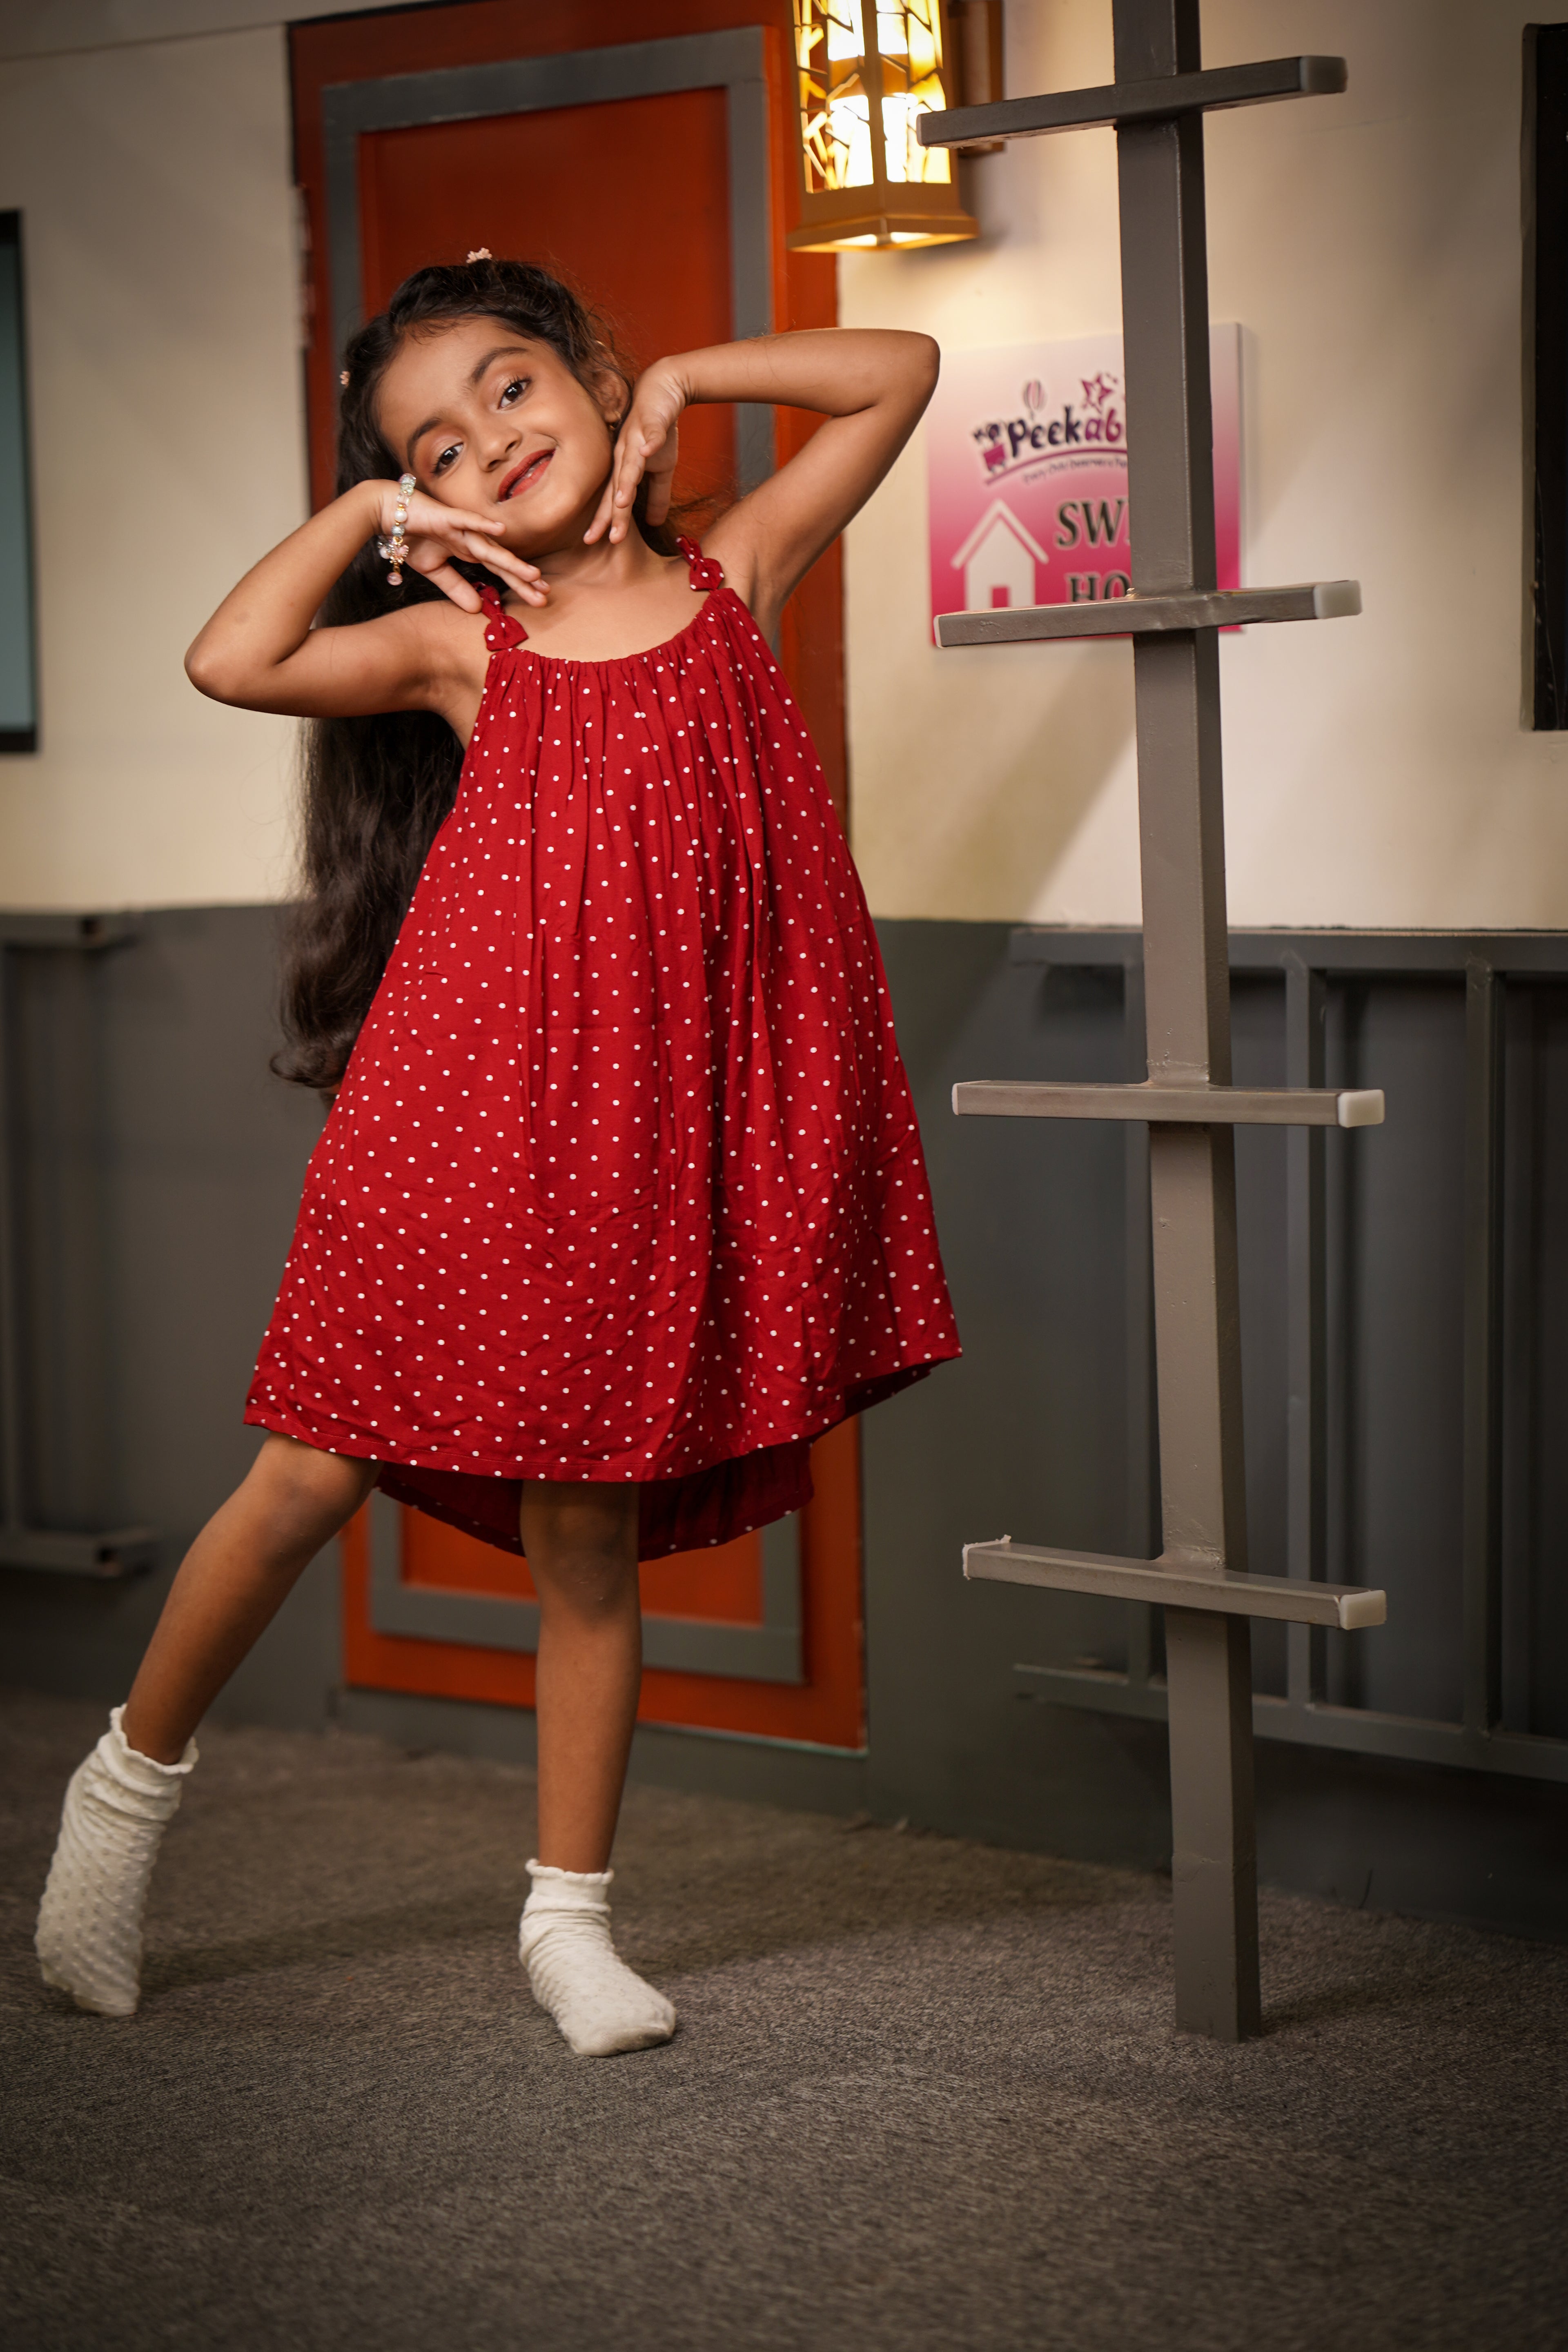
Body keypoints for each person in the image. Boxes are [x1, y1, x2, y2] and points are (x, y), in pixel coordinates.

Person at [35, 257, 960, 2056]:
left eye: (515, 389)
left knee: (585, 1535)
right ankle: (122, 1800)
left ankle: (569, 1924)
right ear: (425, 509)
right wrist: (367, 512)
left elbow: (902, 367)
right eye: (439, 449)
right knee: (308, 1481)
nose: (492, 445)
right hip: (459, 1126)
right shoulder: (475, 641)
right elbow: (232, 659)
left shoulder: (734, 573)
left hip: (643, 1146)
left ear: (594, 380)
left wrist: (693, 372)